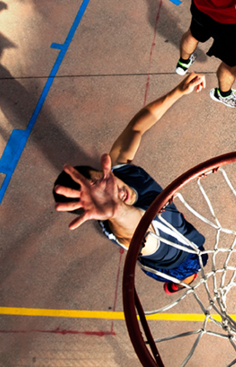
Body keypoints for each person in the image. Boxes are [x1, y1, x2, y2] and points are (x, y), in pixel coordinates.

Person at [53, 73, 209, 293]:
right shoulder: (129, 233)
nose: (115, 193)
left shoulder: (119, 168)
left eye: (100, 180)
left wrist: (178, 92)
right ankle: (176, 283)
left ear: (101, 171)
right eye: (102, 198)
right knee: (196, 267)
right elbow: (139, 229)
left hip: (178, 225)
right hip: (177, 263)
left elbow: (137, 127)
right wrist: (117, 211)